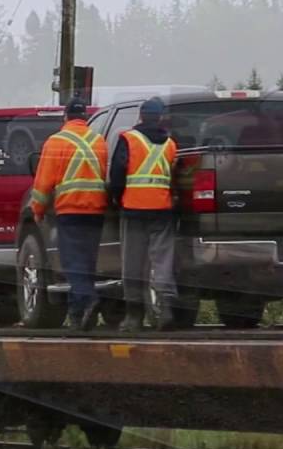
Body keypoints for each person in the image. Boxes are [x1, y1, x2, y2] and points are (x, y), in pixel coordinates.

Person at [28, 97, 109, 331]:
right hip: (96, 209)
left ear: (66, 117)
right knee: (87, 262)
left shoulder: (56, 142)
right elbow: (103, 173)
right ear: (85, 117)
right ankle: (78, 314)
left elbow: (43, 183)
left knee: (73, 262)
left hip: (70, 209)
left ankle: (88, 298)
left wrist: (37, 210)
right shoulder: (99, 141)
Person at [108, 97, 179, 332]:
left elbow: (117, 173)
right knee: (162, 260)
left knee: (133, 261)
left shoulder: (128, 139)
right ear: (160, 117)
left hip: (133, 208)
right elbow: (173, 176)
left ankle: (134, 317)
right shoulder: (170, 144)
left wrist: (116, 198)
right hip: (162, 209)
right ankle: (165, 308)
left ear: (140, 115)